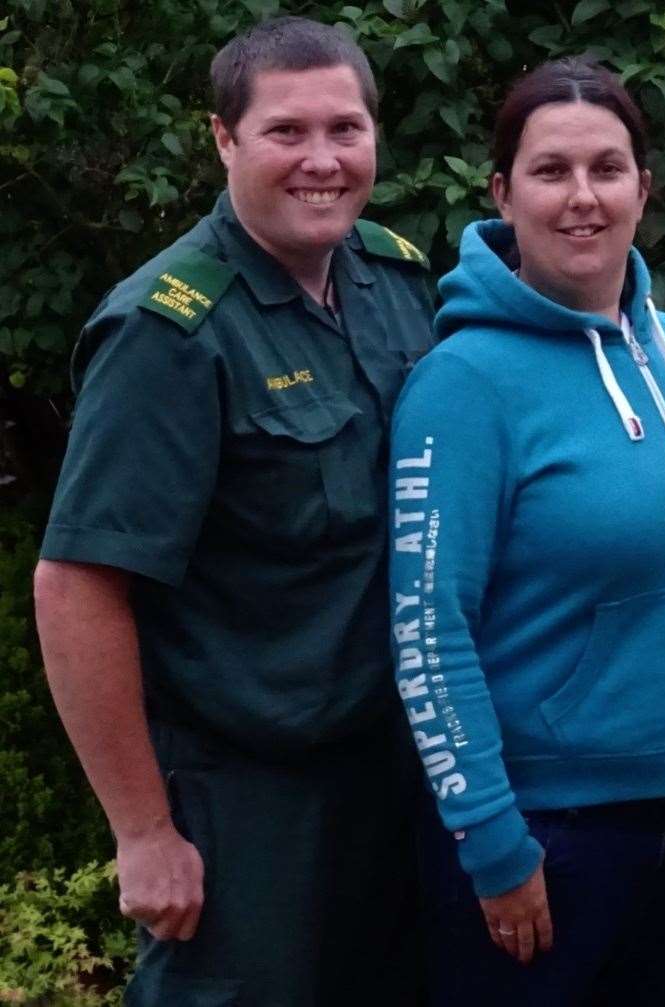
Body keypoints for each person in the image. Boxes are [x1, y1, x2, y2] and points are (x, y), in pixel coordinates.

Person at [31, 16, 435, 1006]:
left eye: (346, 129)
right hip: (248, 799)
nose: (322, 160)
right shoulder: (168, 333)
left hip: (394, 772)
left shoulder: (395, 279)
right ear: (224, 140)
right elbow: (78, 585)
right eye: (286, 132)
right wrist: (142, 830)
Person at [387, 57, 665, 1007]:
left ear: (644, 185)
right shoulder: (463, 382)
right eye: (551, 171)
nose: (582, 197)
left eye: (608, 167)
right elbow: (430, 630)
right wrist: (491, 838)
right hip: (544, 831)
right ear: (503, 193)